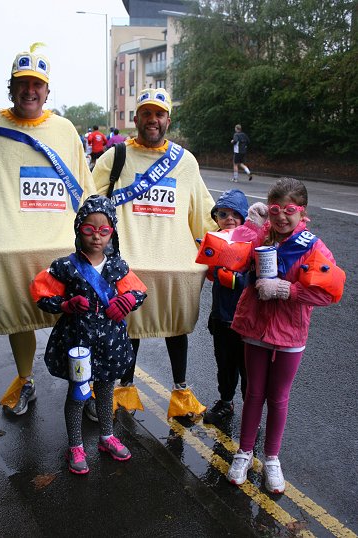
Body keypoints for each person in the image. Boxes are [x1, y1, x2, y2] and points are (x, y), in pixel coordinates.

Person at [0, 43, 95, 416]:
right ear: (10, 87)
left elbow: (84, 187)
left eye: (37, 85)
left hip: (60, 245)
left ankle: (86, 387)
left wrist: (96, 232)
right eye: (22, 83)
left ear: (47, 91)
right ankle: (25, 380)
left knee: (78, 318)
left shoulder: (65, 130)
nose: (30, 91)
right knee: (18, 314)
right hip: (9, 243)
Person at [92, 88, 218, 419]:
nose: (153, 120)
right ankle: (125, 389)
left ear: (168, 120)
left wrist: (230, 242)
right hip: (128, 263)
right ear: (136, 119)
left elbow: (202, 213)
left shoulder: (185, 161)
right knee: (128, 329)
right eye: (146, 113)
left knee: (176, 328)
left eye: (159, 114)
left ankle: (180, 392)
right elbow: (90, 205)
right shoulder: (114, 157)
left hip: (174, 264)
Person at [226, 177, 345, 494]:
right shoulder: (261, 236)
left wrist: (287, 289)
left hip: (291, 334)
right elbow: (230, 259)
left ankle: (272, 459)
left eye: (289, 210)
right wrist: (248, 229)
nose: (280, 216)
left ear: (302, 212)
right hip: (255, 327)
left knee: (278, 399)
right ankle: (244, 452)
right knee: (253, 394)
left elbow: (329, 294)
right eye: (275, 209)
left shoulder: (314, 247)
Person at [30, 195, 147, 474]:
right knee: (79, 393)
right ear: (78, 229)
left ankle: (107, 436)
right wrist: (64, 305)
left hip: (110, 342)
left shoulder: (118, 266)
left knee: (106, 389)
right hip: (78, 342)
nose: (96, 237)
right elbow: (40, 293)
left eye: (104, 231)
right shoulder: (65, 267)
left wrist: (129, 300)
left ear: (112, 233)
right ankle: (76, 445)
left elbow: (138, 290)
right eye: (89, 230)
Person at [202, 189, 249, 424]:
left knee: (248, 369)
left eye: (234, 214)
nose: (229, 218)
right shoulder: (215, 240)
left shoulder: (253, 242)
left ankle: (251, 411)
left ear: (244, 216)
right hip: (221, 316)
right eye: (222, 214)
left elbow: (256, 278)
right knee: (225, 364)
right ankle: (226, 401)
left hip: (247, 320)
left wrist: (230, 277)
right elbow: (209, 273)